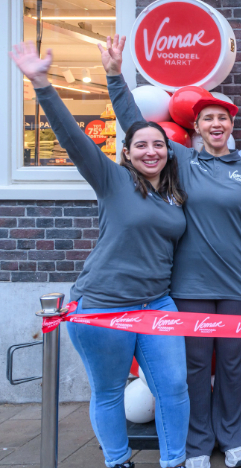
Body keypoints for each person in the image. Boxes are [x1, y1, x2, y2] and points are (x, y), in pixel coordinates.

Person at [100, 36, 241, 468]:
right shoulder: (181, 161)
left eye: (223, 119)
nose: (216, 125)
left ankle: (232, 438)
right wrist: (115, 77)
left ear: (232, 125)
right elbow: (135, 124)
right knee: (193, 367)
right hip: (188, 285)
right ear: (197, 127)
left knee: (231, 364)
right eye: (207, 118)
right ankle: (196, 444)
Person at [11, 42, 189, 468]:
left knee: (175, 387)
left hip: (157, 303)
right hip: (104, 305)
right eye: (141, 145)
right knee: (108, 390)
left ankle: (175, 461)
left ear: (168, 152)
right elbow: (73, 139)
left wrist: (115, 74)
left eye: (158, 145)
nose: (151, 151)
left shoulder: (174, 194)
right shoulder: (112, 180)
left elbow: (138, 125)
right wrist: (41, 83)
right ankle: (117, 460)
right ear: (126, 152)